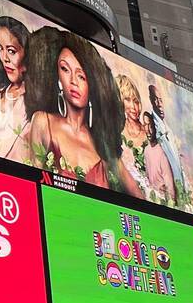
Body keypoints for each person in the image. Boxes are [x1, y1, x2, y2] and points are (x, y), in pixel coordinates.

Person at [21, 27, 140, 196]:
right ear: (57, 75)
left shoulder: (102, 145)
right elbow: (31, 186)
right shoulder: (43, 122)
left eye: (81, 76)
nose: (73, 81)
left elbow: (141, 201)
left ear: (92, 83)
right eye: (65, 69)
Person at [0, 16, 31, 162]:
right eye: (0, 48)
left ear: (27, 54)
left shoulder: (36, 101)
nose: (4, 58)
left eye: (11, 51)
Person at [140, 111, 178, 205]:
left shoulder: (162, 153)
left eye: (150, 126)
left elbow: (170, 190)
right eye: (145, 125)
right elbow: (148, 178)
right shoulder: (146, 150)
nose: (148, 130)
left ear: (155, 127)